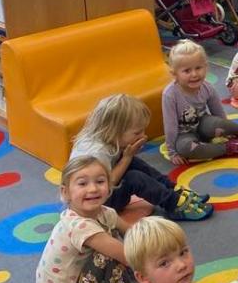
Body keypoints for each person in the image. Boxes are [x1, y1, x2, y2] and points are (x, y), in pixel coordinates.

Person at [72, 94, 211, 222]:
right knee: (134, 177)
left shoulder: (107, 139)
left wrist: (127, 157)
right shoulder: (97, 153)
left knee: (131, 161)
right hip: (95, 204)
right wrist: (126, 158)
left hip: (102, 192)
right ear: (114, 132)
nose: (143, 136)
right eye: (137, 133)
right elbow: (106, 184)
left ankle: (173, 190)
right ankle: (173, 204)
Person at [35, 155, 136, 283]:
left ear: (109, 186)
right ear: (65, 192)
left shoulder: (105, 212)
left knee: (114, 240)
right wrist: (157, 263)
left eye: (100, 181)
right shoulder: (78, 226)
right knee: (106, 256)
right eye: (82, 184)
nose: (93, 188)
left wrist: (154, 240)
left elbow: (135, 234)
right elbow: (126, 255)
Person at [163, 39, 238, 163]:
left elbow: (218, 113)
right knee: (185, 148)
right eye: (187, 71)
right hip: (184, 135)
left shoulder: (207, 87)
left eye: (198, 68)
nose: (194, 74)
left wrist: (227, 131)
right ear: (175, 74)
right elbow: (170, 126)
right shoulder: (170, 95)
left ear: (206, 67)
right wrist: (172, 152)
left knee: (217, 122)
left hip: (204, 125)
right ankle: (230, 147)